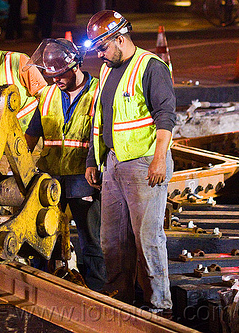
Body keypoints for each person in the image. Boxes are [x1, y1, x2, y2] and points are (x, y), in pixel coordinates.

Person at [84, 10, 176, 316]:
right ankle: (120, 300)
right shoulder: (107, 69)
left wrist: (159, 160)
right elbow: (100, 119)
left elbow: (166, 117)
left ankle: (159, 306)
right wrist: (93, 159)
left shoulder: (151, 67)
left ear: (120, 39)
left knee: (147, 240)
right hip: (113, 164)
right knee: (111, 241)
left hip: (145, 164)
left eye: (102, 47)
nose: (99, 55)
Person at [24, 38, 106, 291]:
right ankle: (43, 285)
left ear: (76, 66)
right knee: (43, 231)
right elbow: (31, 135)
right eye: (53, 75)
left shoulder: (98, 93)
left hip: (84, 178)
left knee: (89, 238)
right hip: (50, 178)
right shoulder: (47, 95)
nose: (56, 80)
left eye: (60, 74)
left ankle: (96, 289)